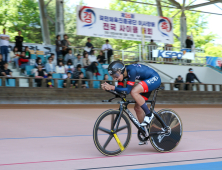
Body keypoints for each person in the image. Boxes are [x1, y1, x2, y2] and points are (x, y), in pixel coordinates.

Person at [101, 61, 161, 145]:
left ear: (121, 71)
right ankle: (145, 133)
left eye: (116, 76)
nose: (115, 78)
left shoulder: (131, 71)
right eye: (113, 76)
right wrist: (109, 88)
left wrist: (112, 87)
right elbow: (120, 91)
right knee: (137, 108)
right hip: (146, 80)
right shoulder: (122, 76)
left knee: (133, 91)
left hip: (154, 78)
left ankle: (149, 115)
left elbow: (128, 91)